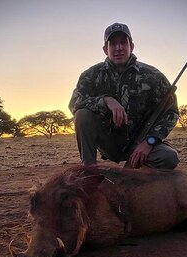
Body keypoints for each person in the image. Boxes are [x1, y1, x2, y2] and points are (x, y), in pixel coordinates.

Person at [69, 22, 179, 169]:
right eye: (113, 44)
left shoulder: (153, 76)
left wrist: (149, 141)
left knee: (169, 157)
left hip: (141, 143)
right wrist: (106, 100)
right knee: (82, 114)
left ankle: (141, 174)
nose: (119, 48)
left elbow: (171, 112)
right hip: (108, 144)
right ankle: (89, 171)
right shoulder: (91, 75)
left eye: (123, 42)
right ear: (105, 49)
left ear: (131, 46)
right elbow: (75, 103)